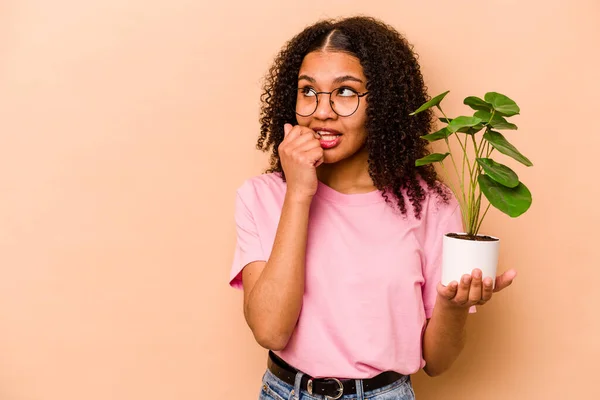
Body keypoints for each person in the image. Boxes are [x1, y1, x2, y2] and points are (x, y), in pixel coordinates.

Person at [228, 16, 516, 400]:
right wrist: (299, 193)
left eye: (346, 92)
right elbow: (270, 331)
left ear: (383, 103)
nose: (322, 111)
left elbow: (438, 362)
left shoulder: (431, 205)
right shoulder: (261, 197)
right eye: (307, 91)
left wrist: (452, 306)